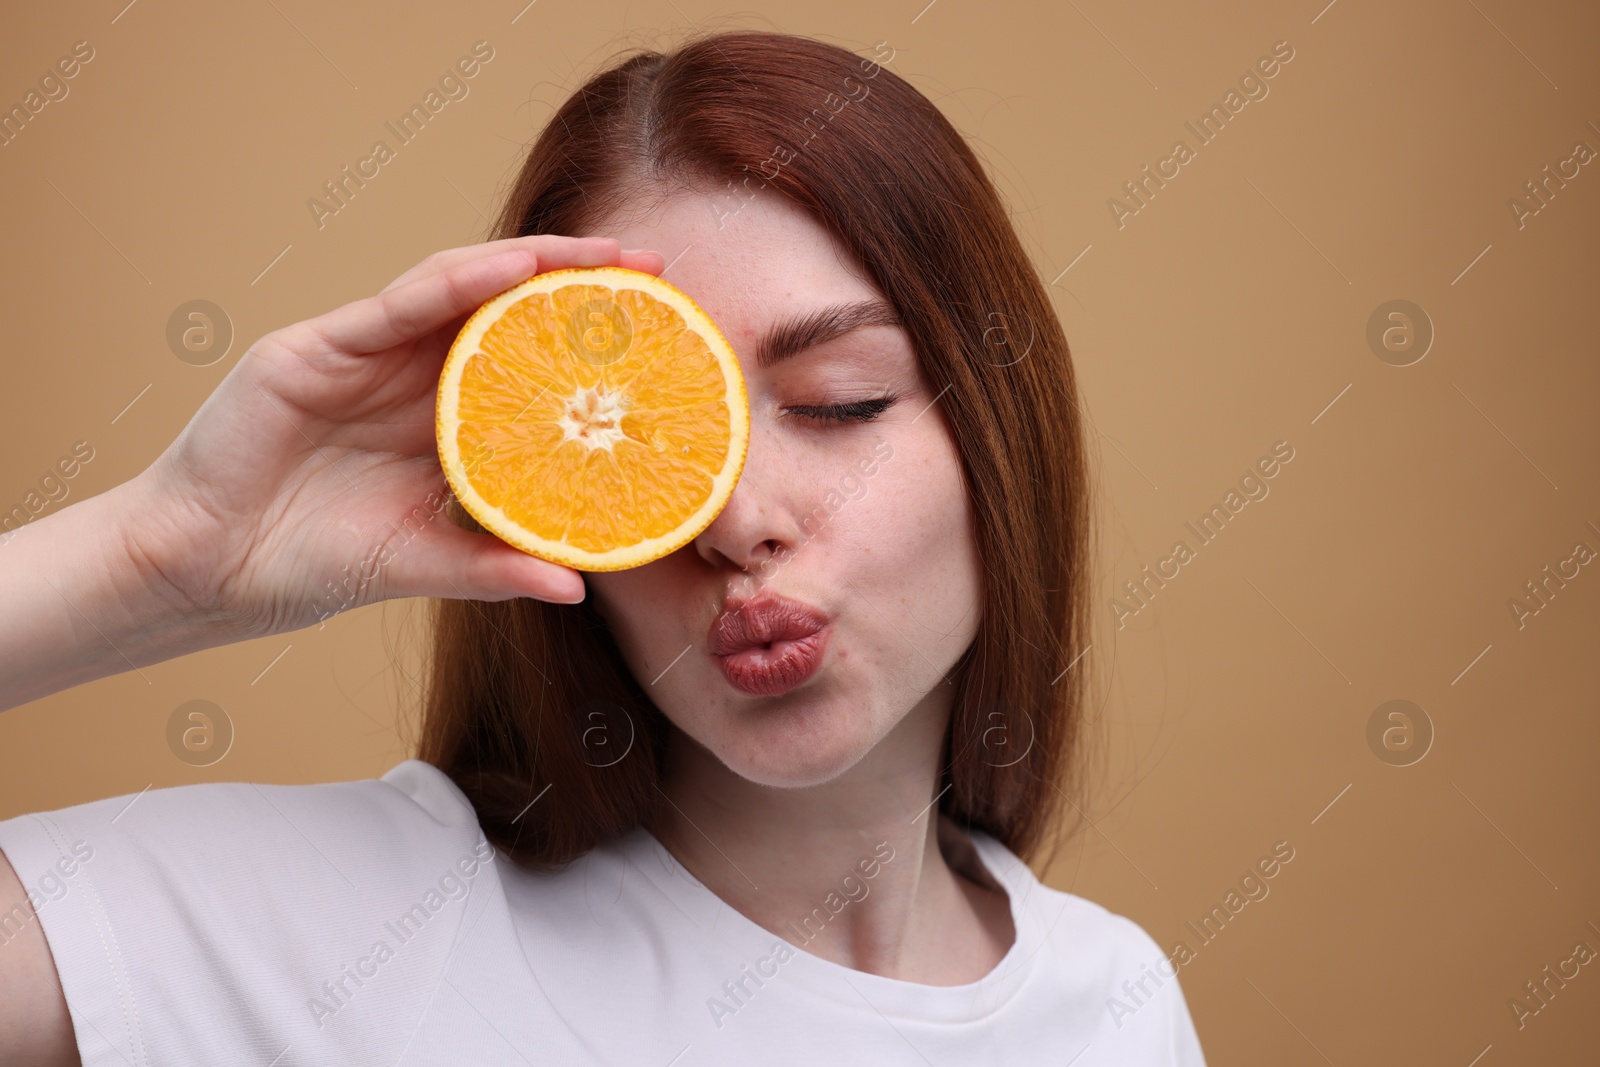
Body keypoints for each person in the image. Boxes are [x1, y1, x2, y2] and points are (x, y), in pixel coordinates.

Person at [0, 29, 1206, 1066]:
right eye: (629, 441)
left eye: (840, 400)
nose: (738, 520)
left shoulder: (1113, 1005)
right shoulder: (343, 921)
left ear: (998, 431)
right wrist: (155, 561)